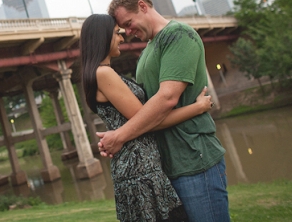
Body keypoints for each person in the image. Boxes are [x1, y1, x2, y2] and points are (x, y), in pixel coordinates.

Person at [97, 0, 231, 222]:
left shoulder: (178, 35)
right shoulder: (149, 49)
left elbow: (167, 98)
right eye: (123, 28)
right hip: (167, 167)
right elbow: (145, 111)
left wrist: (120, 136)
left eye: (128, 23)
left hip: (194, 161)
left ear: (142, 6)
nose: (127, 32)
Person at [80, 13, 213, 222]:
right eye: (117, 33)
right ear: (102, 37)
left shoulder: (103, 72)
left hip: (142, 167)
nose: (123, 38)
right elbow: (149, 121)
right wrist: (197, 108)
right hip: (139, 170)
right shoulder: (103, 73)